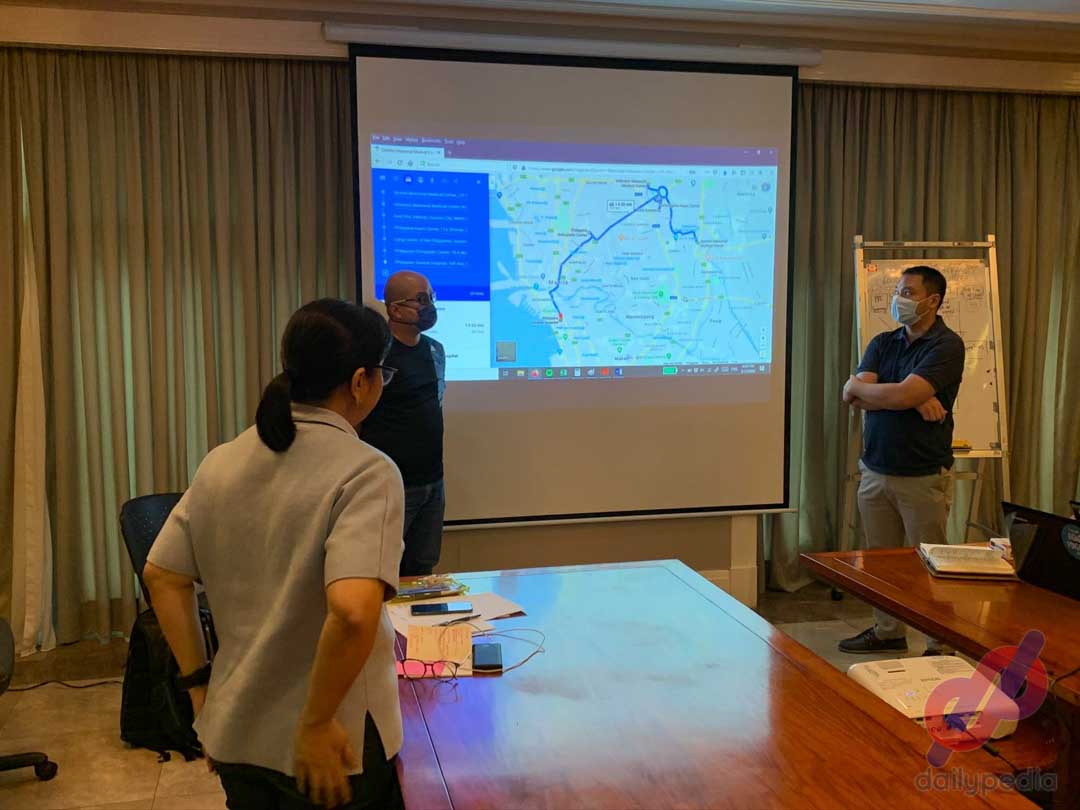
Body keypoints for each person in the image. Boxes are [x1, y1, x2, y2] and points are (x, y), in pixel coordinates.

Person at [144, 299, 406, 810]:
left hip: (239, 728)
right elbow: (353, 613)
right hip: (333, 745)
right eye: (382, 374)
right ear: (359, 382)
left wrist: (200, 690)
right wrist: (315, 724)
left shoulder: (222, 461)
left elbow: (162, 575)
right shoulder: (367, 472)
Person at [838, 265, 965, 655]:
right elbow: (851, 395)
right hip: (875, 468)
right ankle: (888, 630)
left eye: (908, 292)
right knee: (881, 562)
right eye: (898, 290)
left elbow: (884, 394)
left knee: (930, 563)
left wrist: (898, 395)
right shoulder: (883, 341)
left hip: (922, 473)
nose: (899, 299)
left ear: (933, 300)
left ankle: (938, 643)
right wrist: (909, 399)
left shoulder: (947, 345)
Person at [361, 270, 446, 578]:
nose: (429, 306)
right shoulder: (377, 355)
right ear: (395, 309)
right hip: (392, 485)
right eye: (421, 299)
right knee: (383, 570)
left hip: (433, 481)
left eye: (431, 298)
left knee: (423, 569)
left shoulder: (435, 350)